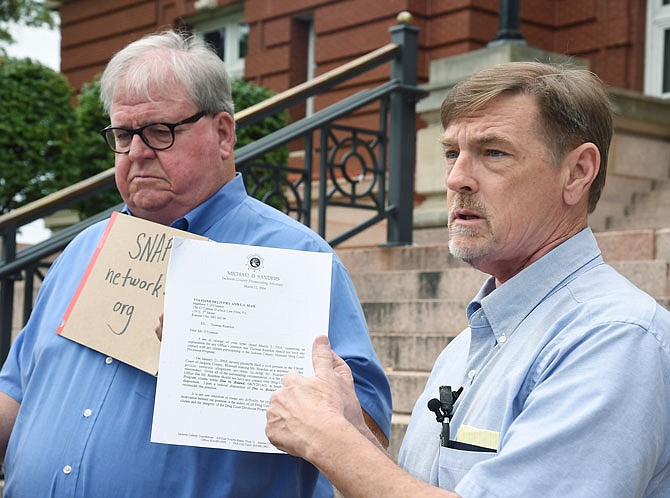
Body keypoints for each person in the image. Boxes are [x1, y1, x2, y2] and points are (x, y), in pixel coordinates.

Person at [0, 30, 392, 498]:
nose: (138, 153)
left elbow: (368, 434)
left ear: (223, 133)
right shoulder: (83, 251)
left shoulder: (295, 259)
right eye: (123, 135)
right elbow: (18, 392)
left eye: (160, 132)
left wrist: (235, 356)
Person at [265, 61, 670, 497]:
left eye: (493, 152)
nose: (457, 178)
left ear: (577, 172)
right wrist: (353, 432)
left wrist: (329, 441)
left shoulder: (614, 337)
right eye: (452, 153)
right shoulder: (472, 341)